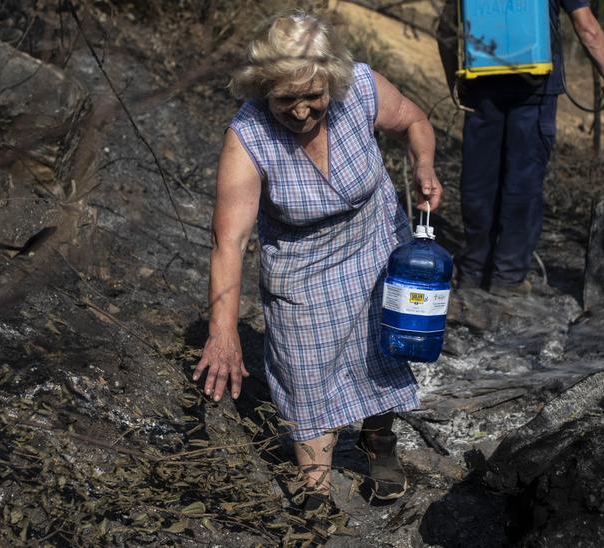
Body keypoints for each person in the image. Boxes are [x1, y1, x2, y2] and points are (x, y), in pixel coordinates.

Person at [193, 9, 441, 533]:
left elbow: (415, 121)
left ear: (332, 80)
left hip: (376, 240)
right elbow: (229, 240)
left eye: (313, 96)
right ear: (264, 91)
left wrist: (423, 165)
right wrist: (223, 332)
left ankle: (378, 439)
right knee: (305, 375)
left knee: (385, 345)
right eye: (286, 99)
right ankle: (314, 488)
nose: (302, 111)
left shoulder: (363, 89)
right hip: (302, 267)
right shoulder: (248, 135)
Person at [452, 0, 604, 296]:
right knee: (523, 183)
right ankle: (507, 278)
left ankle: (472, 272)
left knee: (479, 180)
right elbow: (587, 27)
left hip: (481, 87)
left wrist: (452, 79)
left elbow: (447, 24)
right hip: (534, 89)